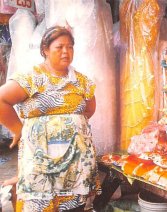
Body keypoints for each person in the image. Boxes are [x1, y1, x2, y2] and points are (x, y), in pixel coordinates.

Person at [0, 26, 101, 211]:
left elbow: (89, 109)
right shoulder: (32, 78)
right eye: (59, 47)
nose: (66, 52)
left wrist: (72, 126)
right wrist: (18, 130)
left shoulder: (82, 81)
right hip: (40, 163)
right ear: (45, 49)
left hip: (75, 164)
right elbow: (1, 100)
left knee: (74, 206)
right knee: (40, 205)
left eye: (70, 47)